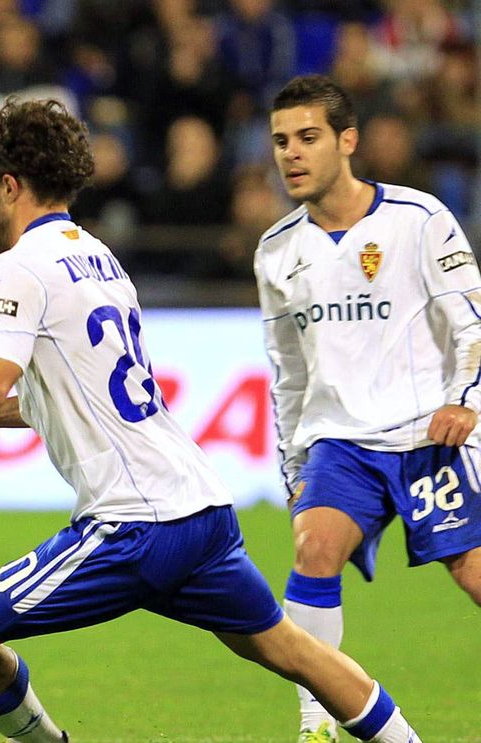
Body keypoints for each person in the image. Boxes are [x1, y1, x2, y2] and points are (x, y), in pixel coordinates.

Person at [0, 97, 425, 743]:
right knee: (294, 651)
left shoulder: (13, 269)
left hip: (133, 526)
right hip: (200, 508)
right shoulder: (99, 257)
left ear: (10, 186)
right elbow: (83, 392)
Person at [256, 74, 481, 743]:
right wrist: (292, 467)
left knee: (474, 574)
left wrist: (462, 400)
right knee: (313, 549)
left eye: (308, 137)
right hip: (341, 444)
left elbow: (471, 324)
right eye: (281, 141)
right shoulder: (276, 250)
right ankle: (315, 726)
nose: (292, 153)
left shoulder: (419, 219)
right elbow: (288, 373)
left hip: (428, 436)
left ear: (347, 141)